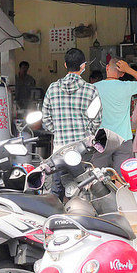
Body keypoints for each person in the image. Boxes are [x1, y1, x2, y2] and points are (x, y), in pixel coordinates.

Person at [42, 48, 102, 183]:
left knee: (58, 186)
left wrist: (58, 131)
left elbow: (45, 119)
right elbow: (97, 119)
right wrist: (87, 133)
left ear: (65, 65)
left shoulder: (52, 88)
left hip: (60, 150)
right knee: (85, 186)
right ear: (83, 66)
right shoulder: (91, 89)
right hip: (82, 148)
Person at [90, 56, 137, 170]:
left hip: (101, 139)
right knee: (122, 178)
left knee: (97, 177)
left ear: (107, 68)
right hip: (123, 139)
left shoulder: (93, 88)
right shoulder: (127, 87)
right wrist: (129, 70)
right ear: (122, 74)